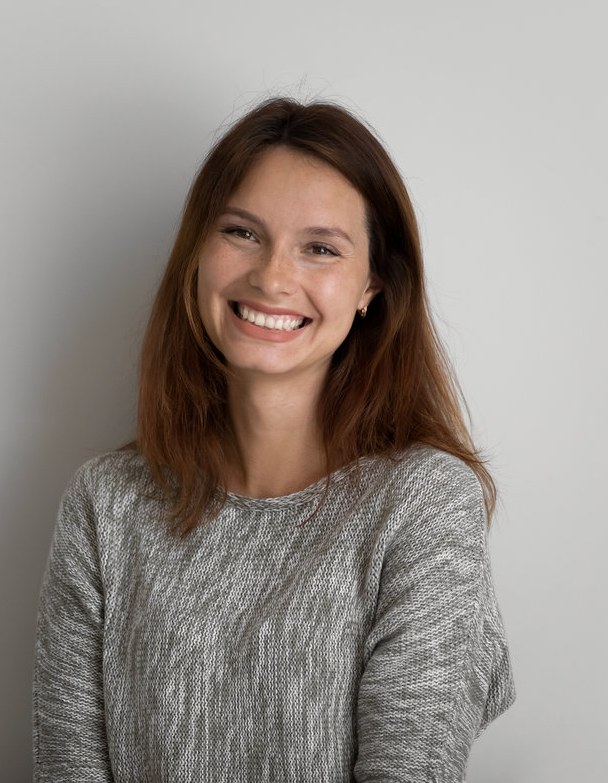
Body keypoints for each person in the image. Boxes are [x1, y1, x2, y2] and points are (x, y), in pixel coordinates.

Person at [33, 97, 515, 782]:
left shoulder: (423, 505)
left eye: (320, 248)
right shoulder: (104, 504)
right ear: (197, 252)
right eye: (241, 232)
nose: (273, 277)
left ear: (372, 285)